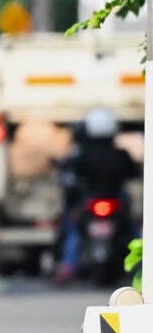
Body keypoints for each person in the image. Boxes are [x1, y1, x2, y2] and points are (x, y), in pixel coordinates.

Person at [53, 107, 138, 283]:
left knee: (73, 228)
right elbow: (134, 173)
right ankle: (144, 264)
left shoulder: (82, 154)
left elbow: (71, 176)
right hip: (116, 199)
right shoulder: (121, 154)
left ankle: (69, 266)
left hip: (91, 200)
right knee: (134, 230)